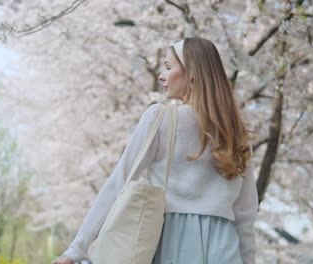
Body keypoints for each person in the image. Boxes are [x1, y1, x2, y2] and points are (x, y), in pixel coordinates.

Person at [52, 37, 259, 264]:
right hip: (225, 249)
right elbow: (246, 214)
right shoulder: (237, 133)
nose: (162, 75)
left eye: (169, 67)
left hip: (169, 242)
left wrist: (75, 250)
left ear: (192, 73)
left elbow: (118, 183)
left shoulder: (159, 119)